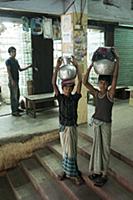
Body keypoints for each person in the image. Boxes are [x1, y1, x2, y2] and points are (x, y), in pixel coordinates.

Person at [83, 48, 119, 187]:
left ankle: (104, 174)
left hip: (105, 125)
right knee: (97, 148)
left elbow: (115, 77)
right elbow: (85, 82)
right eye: (100, 83)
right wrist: (91, 65)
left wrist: (117, 61)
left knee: (105, 148)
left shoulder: (110, 95)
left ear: (108, 85)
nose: (102, 85)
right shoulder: (96, 93)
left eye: (105, 83)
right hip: (97, 123)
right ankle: (97, 170)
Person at [52, 56, 84, 185]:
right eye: (66, 88)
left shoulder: (74, 98)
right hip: (62, 127)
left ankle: (74, 174)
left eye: (70, 88)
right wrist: (57, 66)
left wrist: (77, 66)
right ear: (63, 88)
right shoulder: (60, 98)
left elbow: (80, 82)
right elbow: (53, 83)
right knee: (65, 150)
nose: (68, 90)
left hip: (71, 127)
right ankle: (66, 171)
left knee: (71, 151)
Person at [5, 46, 32, 117]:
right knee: (13, 97)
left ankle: (16, 108)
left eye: (15, 51)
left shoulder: (16, 61)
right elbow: (8, 71)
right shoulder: (8, 61)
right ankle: (14, 111)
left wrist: (28, 66)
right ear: (10, 53)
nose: (14, 53)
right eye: (12, 52)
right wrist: (12, 80)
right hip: (12, 81)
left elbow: (20, 69)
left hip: (16, 80)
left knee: (17, 95)